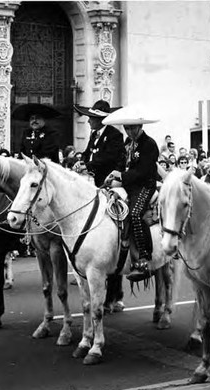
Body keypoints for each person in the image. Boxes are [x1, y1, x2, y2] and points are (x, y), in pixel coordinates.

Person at [103, 106, 160, 281]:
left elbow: (143, 171)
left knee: (135, 214)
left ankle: (144, 258)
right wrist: (113, 175)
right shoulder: (127, 143)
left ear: (140, 126)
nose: (129, 131)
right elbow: (122, 164)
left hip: (144, 186)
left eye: (132, 128)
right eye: (127, 128)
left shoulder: (149, 144)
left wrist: (121, 175)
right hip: (128, 185)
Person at [74, 100, 126, 187]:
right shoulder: (94, 135)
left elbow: (107, 158)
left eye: (91, 118)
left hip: (107, 180)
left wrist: (87, 166)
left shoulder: (114, 135)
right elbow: (87, 153)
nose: (88, 121)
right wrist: (81, 162)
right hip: (91, 179)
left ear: (100, 120)